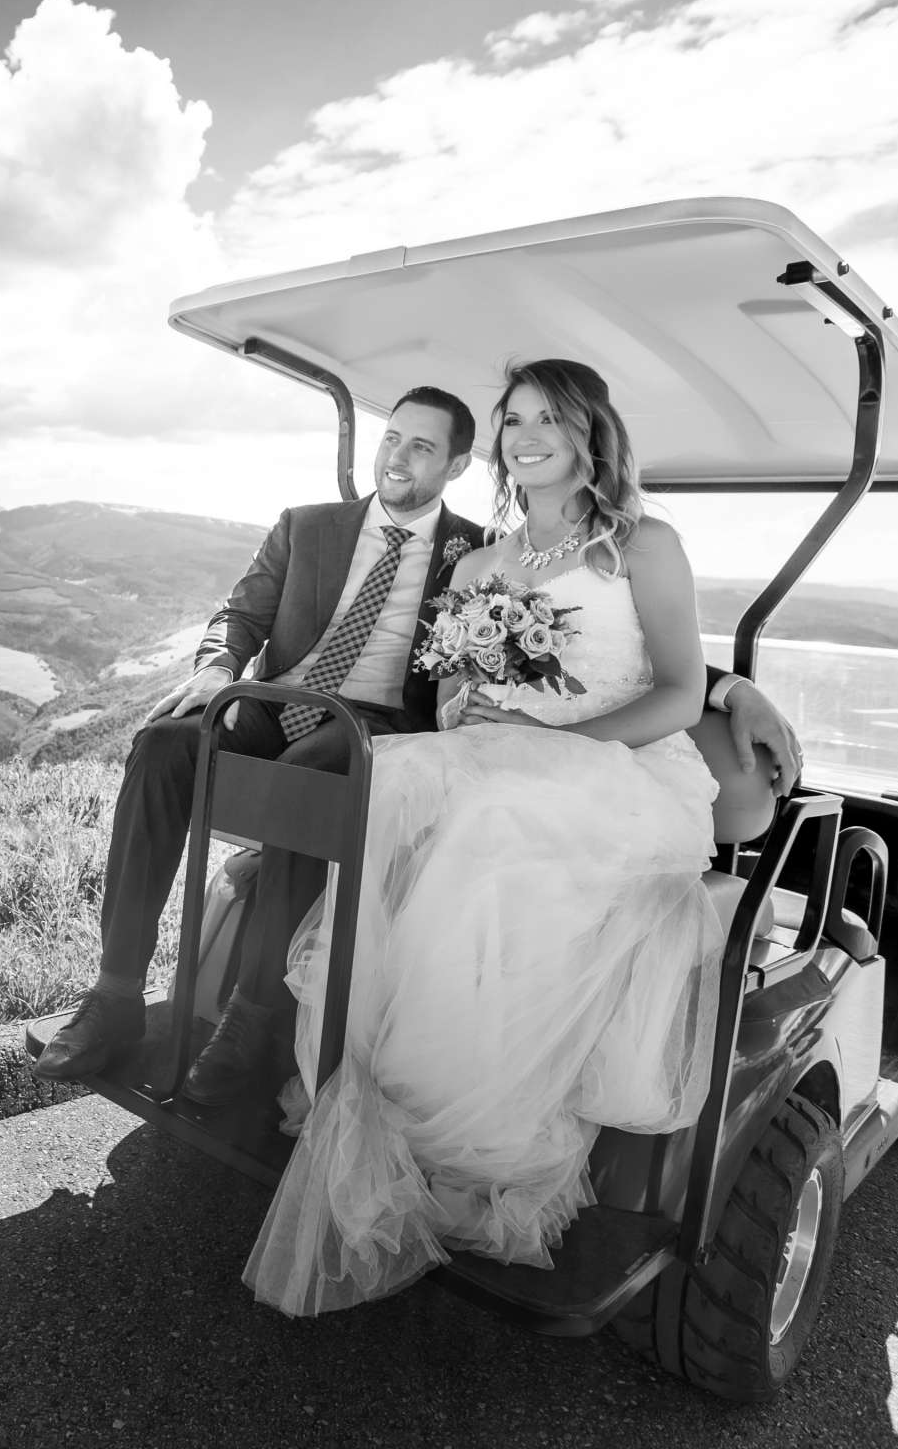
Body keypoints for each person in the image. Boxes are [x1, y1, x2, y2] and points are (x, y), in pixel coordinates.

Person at [34, 381, 803, 1108]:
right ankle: (114, 995)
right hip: (277, 701)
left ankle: (255, 1017)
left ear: (458, 465)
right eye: (392, 439)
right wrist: (215, 668)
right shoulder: (309, 526)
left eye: (422, 448)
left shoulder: (472, 550)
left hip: (372, 726)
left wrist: (733, 688)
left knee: (320, 771)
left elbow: (611, 643)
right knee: (163, 742)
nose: (398, 459)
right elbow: (240, 614)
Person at [243, 357, 728, 1316]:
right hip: (499, 754)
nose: (525, 435)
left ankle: (467, 1139)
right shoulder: (482, 563)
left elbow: (678, 689)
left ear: (590, 430)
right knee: (390, 783)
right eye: (512, 421)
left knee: (495, 826)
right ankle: (350, 1074)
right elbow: (458, 695)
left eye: (547, 418)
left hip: (617, 769)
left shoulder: (641, 546)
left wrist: (565, 745)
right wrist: (474, 713)